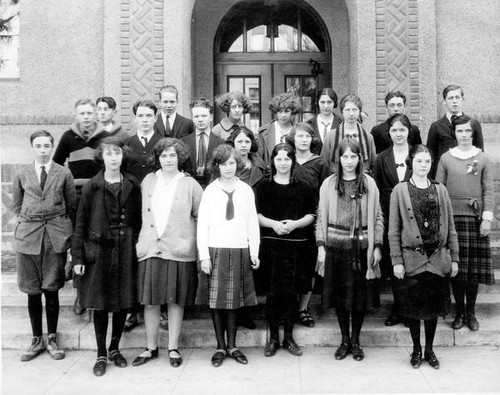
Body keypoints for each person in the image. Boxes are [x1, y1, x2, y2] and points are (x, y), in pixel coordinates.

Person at [72, 137, 142, 377]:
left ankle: (115, 348)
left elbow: (140, 220)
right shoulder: (92, 186)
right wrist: (78, 258)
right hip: (99, 251)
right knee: (100, 304)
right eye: (108, 153)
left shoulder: (133, 184)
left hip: (126, 250)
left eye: (117, 153)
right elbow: (80, 224)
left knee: (123, 301)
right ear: (101, 157)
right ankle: (101, 352)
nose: (113, 157)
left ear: (123, 156)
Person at [132, 138, 203, 368]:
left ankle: (173, 347)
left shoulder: (190, 184)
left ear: (180, 157)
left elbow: (200, 216)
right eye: (164, 155)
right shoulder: (148, 180)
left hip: (178, 249)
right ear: (158, 158)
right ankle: (151, 347)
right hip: (151, 247)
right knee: (151, 302)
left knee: (175, 301)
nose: (168, 159)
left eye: (172, 155)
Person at [389, 144, 459, 369]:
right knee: (413, 308)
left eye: (427, 162)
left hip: (437, 259)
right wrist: (397, 261)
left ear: (431, 164)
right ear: (411, 162)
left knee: (432, 309)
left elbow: (451, 228)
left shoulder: (440, 189)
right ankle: (416, 349)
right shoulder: (400, 191)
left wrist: (454, 257)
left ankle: (430, 349)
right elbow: (393, 229)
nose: (423, 165)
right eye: (419, 161)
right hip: (412, 260)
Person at [316, 138, 383, 362]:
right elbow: (320, 218)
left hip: (362, 249)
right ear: (338, 158)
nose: (349, 161)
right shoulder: (328, 184)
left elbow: (378, 217)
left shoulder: (369, 184)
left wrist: (377, 247)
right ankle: (344, 340)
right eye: (345, 156)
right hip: (336, 248)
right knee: (342, 299)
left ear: (360, 158)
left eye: (353, 156)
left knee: (358, 299)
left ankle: (356, 341)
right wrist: (321, 247)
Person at [12, 130, 76, 362]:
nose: (42, 150)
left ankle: (52, 339)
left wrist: (62, 231)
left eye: (46, 146)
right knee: (32, 290)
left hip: (54, 236)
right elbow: (17, 206)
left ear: (52, 147)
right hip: (28, 237)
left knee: (51, 289)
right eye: (38, 146)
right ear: (32, 148)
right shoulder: (22, 173)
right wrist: (30, 222)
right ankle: (36, 339)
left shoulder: (63, 172)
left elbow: (71, 205)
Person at [196, 145, 260, 367]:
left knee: (234, 301)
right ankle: (220, 346)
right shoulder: (210, 191)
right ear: (217, 166)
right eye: (224, 164)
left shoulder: (246, 191)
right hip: (216, 249)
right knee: (217, 302)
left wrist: (254, 251)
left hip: (239, 249)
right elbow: (202, 225)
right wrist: (204, 256)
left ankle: (233, 345)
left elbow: (252, 223)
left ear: (238, 164)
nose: (228, 168)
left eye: (232, 163)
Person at [256, 143, 317, 357]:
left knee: (292, 293)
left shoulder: (304, 186)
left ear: (293, 161)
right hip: (272, 246)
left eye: (287, 159)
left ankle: (289, 337)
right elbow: (256, 215)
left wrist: (294, 224)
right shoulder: (264, 187)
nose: (283, 163)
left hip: (297, 247)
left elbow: (312, 215)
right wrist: (273, 224)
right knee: (273, 294)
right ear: (273, 161)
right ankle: (273, 338)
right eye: (278, 159)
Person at [436, 115, 494, 331]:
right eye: (459, 131)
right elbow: (439, 191)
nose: (463, 135)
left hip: (475, 220)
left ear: (473, 133)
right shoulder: (446, 158)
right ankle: (458, 312)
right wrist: (441, 220)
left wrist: (486, 217)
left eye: (467, 131)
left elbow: (489, 190)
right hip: (452, 221)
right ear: (454, 133)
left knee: (472, 271)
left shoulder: (483, 158)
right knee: (457, 270)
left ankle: (471, 312)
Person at [53, 98, 109, 316]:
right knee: (80, 241)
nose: (86, 116)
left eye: (89, 113)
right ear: (76, 115)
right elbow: (57, 165)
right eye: (82, 113)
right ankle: (80, 292)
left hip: (98, 194)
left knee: (95, 242)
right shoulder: (68, 137)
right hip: (75, 195)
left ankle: (95, 292)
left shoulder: (104, 137)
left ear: (96, 114)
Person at [122, 99, 162, 331]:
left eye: (149, 116)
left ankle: (160, 307)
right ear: (135, 118)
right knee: (133, 258)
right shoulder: (127, 145)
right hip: (134, 208)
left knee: (158, 256)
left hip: (158, 209)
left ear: (155, 118)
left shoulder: (163, 144)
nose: (145, 120)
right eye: (141, 116)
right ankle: (132, 310)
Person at [285, 123, 329, 328]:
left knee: (307, 267)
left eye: (307, 136)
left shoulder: (320, 163)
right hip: (286, 222)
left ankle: (302, 308)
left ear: (313, 139)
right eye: (299, 136)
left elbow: (326, 193)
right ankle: (287, 308)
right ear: (292, 139)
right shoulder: (285, 159)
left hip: (311, 220)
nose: (303, 139)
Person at [373, 114, 413, 327]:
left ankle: (410, 309)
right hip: (389, 215)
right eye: (394, 130)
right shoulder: (381, 158)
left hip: (413, 215)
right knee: (393, 262)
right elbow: (377, 190)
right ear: (389, 133)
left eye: (402, 130)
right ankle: (398, 308)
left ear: (408, 131)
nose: (398, 134)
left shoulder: (418, 156)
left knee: (410, 261)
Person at [427, 85, 484, 178]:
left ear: (462, 99)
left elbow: (479, 153)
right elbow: (431, 156)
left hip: (467, 174)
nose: (454, 101)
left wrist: (473, 176)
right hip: (443, 174)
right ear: (444, 101)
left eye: (457, 97)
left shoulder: (473, 124)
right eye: (450, 98)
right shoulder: (436, 126)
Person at [320, 94, 377, 174]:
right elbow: (324, 163)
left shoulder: (368, 137)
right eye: (347, 110)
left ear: (359, 111)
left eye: (354, 110)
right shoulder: (331, 136)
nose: (351, 114)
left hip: (362, 179)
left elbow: (373, 164)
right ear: (342, 111)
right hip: (336, 179)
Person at [181, 98, 225, 188]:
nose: (200, 120)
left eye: (204, 116)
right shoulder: (184, 142)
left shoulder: (221, 143)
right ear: (192, 118)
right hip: (189, 186)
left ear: (211, 117)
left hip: (213, 187)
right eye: (196, 116)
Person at [258, 92, 301, 167]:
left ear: (292, 112)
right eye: (280, 111)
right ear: (275, 111)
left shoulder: (298, 131)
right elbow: (259, 158)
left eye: (287, 111)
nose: (283, 115)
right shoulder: (265, 132)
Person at [306, 88, 342, 154]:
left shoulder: (342, 123)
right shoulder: (309, 124)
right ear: (318, 102)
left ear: (334, 103)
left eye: (329, 102)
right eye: (322, 102)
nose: (326, 106)